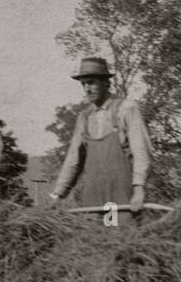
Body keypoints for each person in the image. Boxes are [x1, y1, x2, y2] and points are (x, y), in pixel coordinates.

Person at [50, 57, 154, 221]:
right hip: (93, 198)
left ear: (106, 82)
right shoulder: (84, 117)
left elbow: (141, 151)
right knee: (92, 241)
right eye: (83, 84)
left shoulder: (126, 109)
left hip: (119, 197)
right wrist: (57, 195)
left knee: (116, 239)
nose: (87, 89)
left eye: (91, 82)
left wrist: (139, 189)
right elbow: (73, 160)